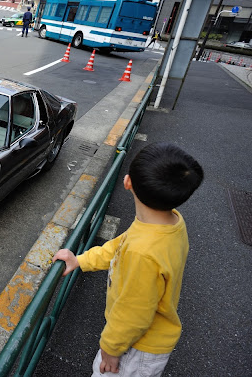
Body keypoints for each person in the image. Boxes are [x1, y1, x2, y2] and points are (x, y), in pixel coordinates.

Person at [52, 142, 203, 377]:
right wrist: (81, 260)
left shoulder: (143, 253)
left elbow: (134, 312)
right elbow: (119, 246)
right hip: (139, 341)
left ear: (127, 182)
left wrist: (110, 350)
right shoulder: (168, 222)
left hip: (136, 349)